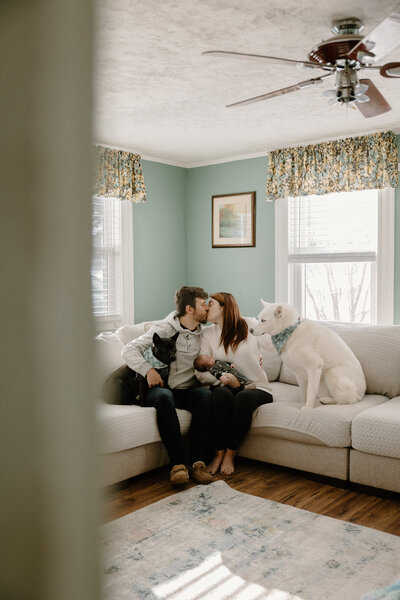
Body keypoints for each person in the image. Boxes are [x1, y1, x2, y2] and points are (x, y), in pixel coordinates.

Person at [122, 286, 213, 486]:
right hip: (160, 390)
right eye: (203, 304)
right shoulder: (164, 328)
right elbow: (128, 349)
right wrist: (148, 370)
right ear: (189, 309)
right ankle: (178, 465)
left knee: (206, 397)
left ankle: (197, 463)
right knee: (164, 397)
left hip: (186, 390)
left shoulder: (203, 333)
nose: (207, 308)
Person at [196, 292, 273, 476]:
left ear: (225, 307)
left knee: (244, 398)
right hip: (224, 386)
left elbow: (273, 345)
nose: (207, 307)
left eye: (211, 304)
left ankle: (231, 453)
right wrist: (223, 379)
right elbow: (200, 372)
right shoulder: (207, 334)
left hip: (256, 386)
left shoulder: (249, 325)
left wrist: (260, 357)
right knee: (220, 395)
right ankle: (219, 452)